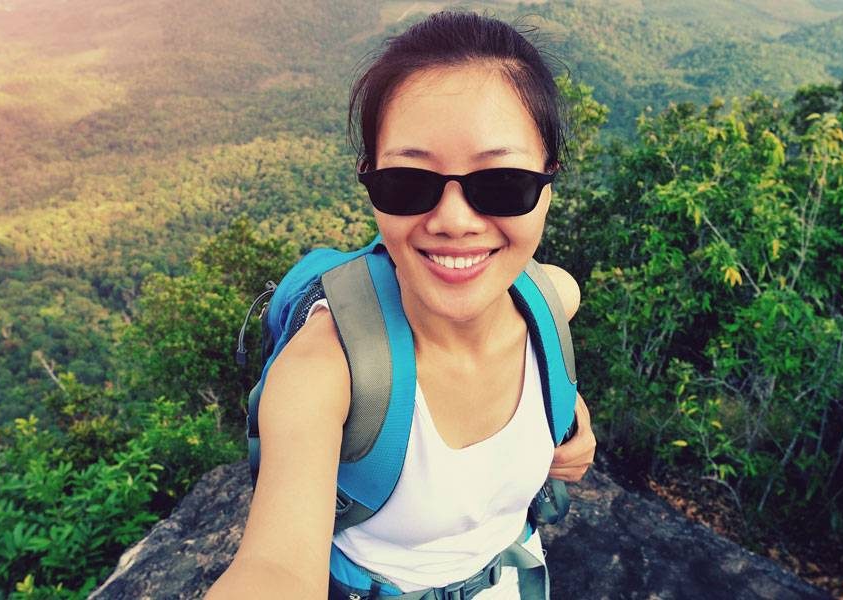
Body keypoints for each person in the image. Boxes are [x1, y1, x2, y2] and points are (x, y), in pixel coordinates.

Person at [207, 11, 596, 599]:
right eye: (408, 182)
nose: (454, 221)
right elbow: (276, 569)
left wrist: (565, 410)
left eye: (501, 182)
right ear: (370, 183)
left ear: (548, 182)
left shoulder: (549, 299)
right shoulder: (323, 372)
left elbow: (558, 305)